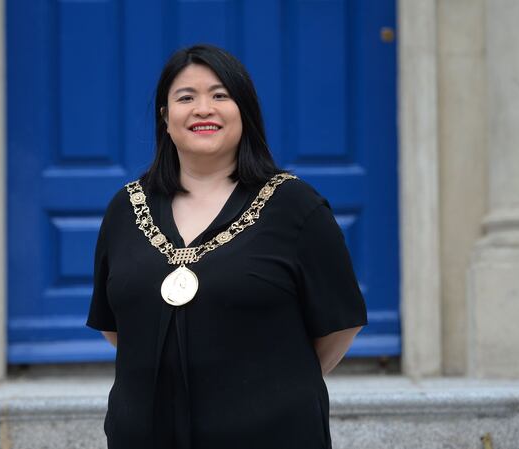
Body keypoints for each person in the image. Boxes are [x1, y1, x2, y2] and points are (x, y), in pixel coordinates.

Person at [87, 44, 367, 449]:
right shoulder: (126, 208)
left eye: (221, 95)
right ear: (166, 118)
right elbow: (118, 327)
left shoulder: (295, 206)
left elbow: (340, 326)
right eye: (186, 97)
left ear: (244, 112)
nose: (204, 109)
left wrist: (268, 390)